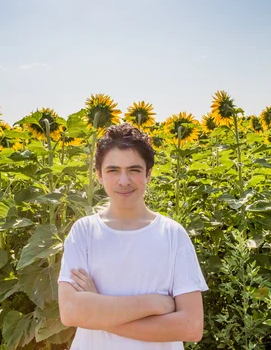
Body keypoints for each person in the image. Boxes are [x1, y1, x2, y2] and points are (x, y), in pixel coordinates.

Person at [58, 123, 208, 349]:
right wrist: (153, 303)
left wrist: (99, 311)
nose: (124, 180)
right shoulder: (84, 232)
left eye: (134, 170)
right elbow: (70, 312)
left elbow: (191, 327)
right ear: (99, 175)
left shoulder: (172, 234)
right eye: (113, 170)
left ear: (148, 173)